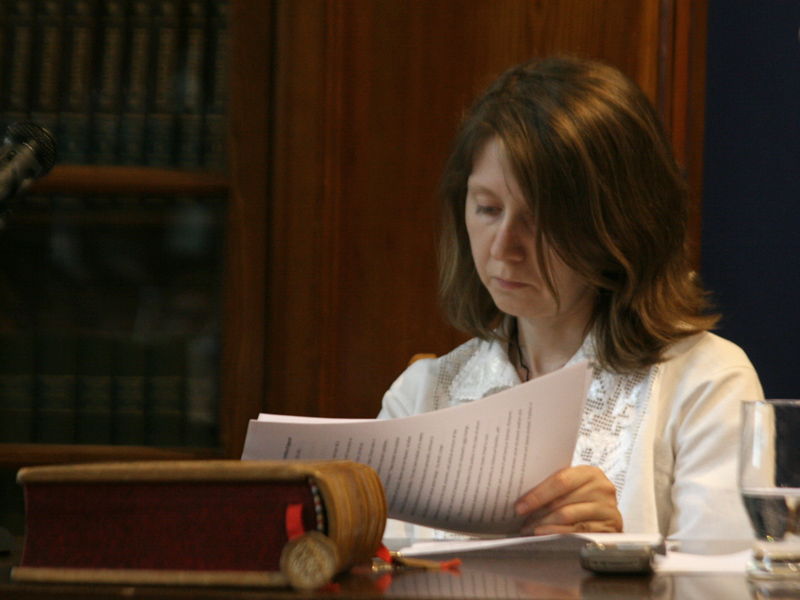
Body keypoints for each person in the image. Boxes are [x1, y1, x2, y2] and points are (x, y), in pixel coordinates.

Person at [378, 55, 763, 540]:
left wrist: (615, 553)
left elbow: (732, 577)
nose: (503, 247)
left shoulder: (707, 384)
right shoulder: (421, 397)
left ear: (619, 225)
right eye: (488, 208)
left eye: (540, 218)